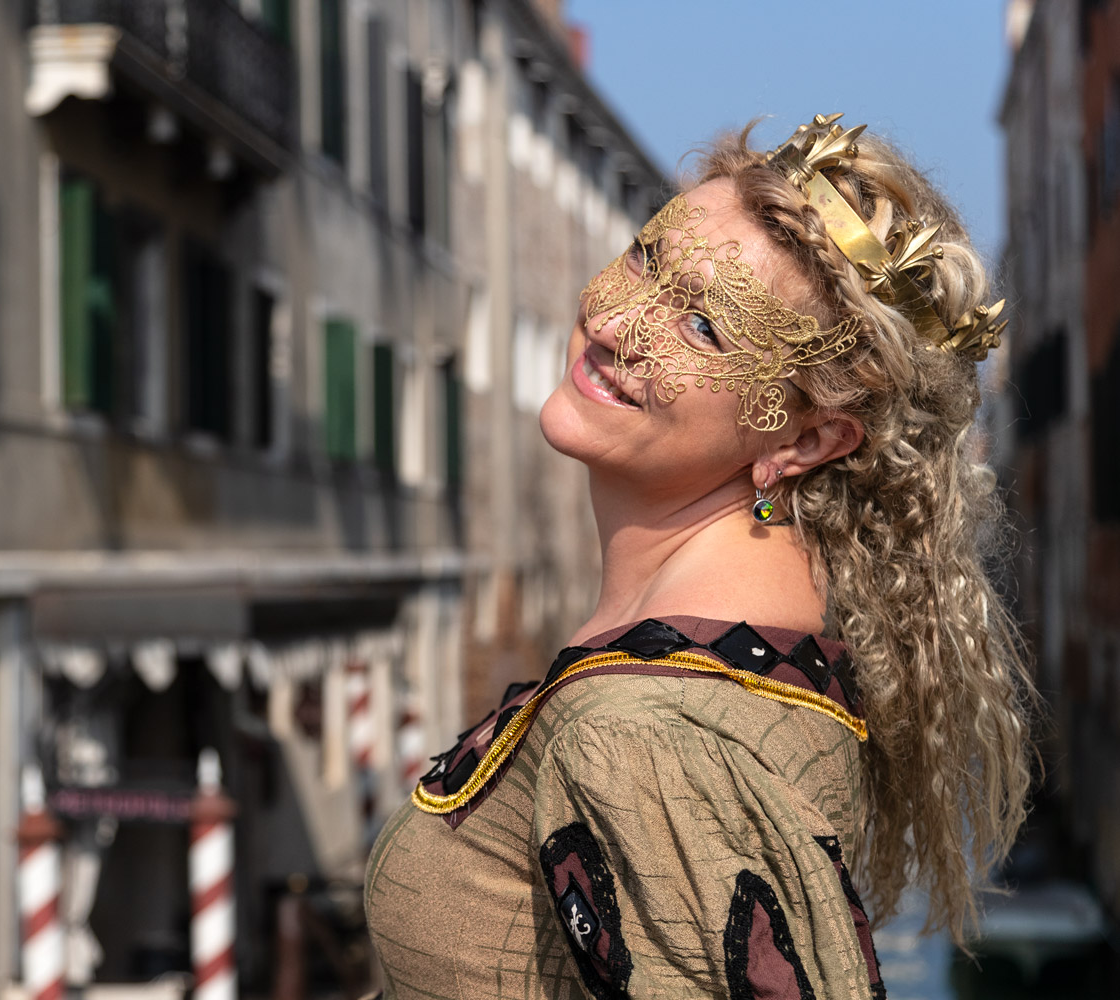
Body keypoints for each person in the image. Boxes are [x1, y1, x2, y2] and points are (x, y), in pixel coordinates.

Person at [363, 116, 1035, 999]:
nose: (617, 323)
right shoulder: (725, 662)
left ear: (809, 440)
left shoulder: (644, 736)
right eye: (648, 258)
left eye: (706, 326)